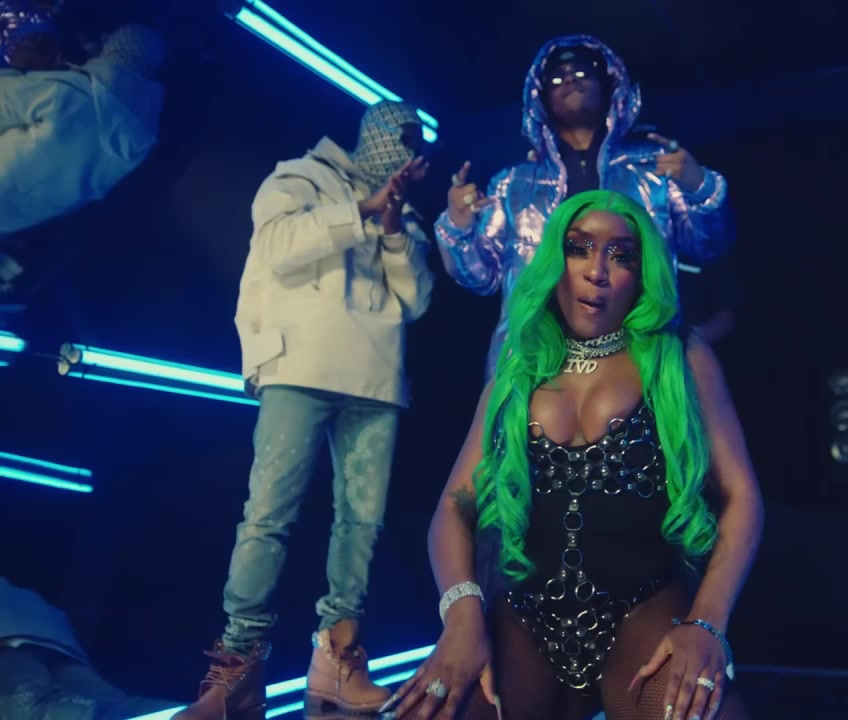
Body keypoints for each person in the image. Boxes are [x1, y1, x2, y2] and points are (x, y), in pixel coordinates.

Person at [388, 190, 763, 720]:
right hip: (524, 624)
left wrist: (707, 624)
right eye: (579, 248)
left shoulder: (680, 357)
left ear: (642, 273)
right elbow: (454, 506)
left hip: (645, 616)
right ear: (554, 261)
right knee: (428, 712)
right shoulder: (519, 367)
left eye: (621, 255)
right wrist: (462, 617)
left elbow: (742, 496)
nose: (597, 271)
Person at [174, 101, 435, 720]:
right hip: (299, 364)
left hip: (375, 376)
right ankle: (237, 667)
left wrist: (392, 225)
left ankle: (337, 660)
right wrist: (362, 209)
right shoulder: (300, 177)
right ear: (372, 135)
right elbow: (278, 246)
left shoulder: (404, 210)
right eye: (398, 138)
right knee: (267, 515)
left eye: (415, 143)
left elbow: (416, 298)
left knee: (362, 522)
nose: (405, 152)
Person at [435, 34, 733, 380]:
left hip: (639, 357)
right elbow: (480, 276)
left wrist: (699, 187)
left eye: (581, 73)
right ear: (540, 99)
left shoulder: (654, 168)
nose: (570, 82)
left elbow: (708, 245)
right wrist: (458, 225)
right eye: (557, 79)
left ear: (608, 86)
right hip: (537, 363)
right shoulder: (513, 183)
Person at [0, 23, 166, 235]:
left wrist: (19, 68)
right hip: (12, 221)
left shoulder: (72, 93)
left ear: (112, 47)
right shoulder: (140, 143)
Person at [0, 577, 180, 720]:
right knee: (114, 705)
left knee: (33, 709)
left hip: (13, 625)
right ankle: (195, 712)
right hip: (32, 622)